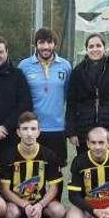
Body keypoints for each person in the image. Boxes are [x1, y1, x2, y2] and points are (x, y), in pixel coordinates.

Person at [0, 112, 67, 218]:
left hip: (38, 202)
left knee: (59, 212)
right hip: (16, 203)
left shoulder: (49, 155)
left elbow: (54, 187)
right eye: (25, 129)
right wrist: (25, 204)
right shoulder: (8, 156)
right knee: (10, 213)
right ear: (18, 132)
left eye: (33, 129)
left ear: (39, 132)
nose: (29, 133)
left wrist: (40, 205)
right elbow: (5, 190)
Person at [18, 28, 71, 164]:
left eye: (50, 42)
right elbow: (19, 96)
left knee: (56, 170)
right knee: (32, 170)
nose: (46, 47)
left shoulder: (65, 66)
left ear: (55, 44)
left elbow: (68, 95)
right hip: (32, 128)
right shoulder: (24, 66)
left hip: (57, 128)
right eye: (41, 43)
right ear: (36, 45)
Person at [65, 33, 109, 149]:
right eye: (91, 46)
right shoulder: (78, 72)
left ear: (104, 48)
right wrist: (71, 131)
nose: (95, 49)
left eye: (98, 46)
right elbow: (71, 104)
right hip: (84, 130)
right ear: (86, 49)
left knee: (108, 164)